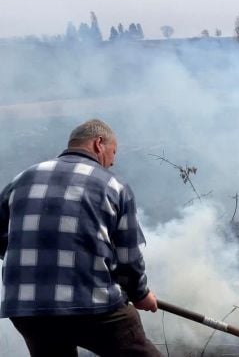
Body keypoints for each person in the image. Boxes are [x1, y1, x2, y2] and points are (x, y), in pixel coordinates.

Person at [0, 119, 161, 356]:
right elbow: (128, 258)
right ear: (99, 144)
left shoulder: (20, 179)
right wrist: (141, 294)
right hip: (92, 307)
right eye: (113, 152)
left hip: (28, 309)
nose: (113, 161)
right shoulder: (113, 185)